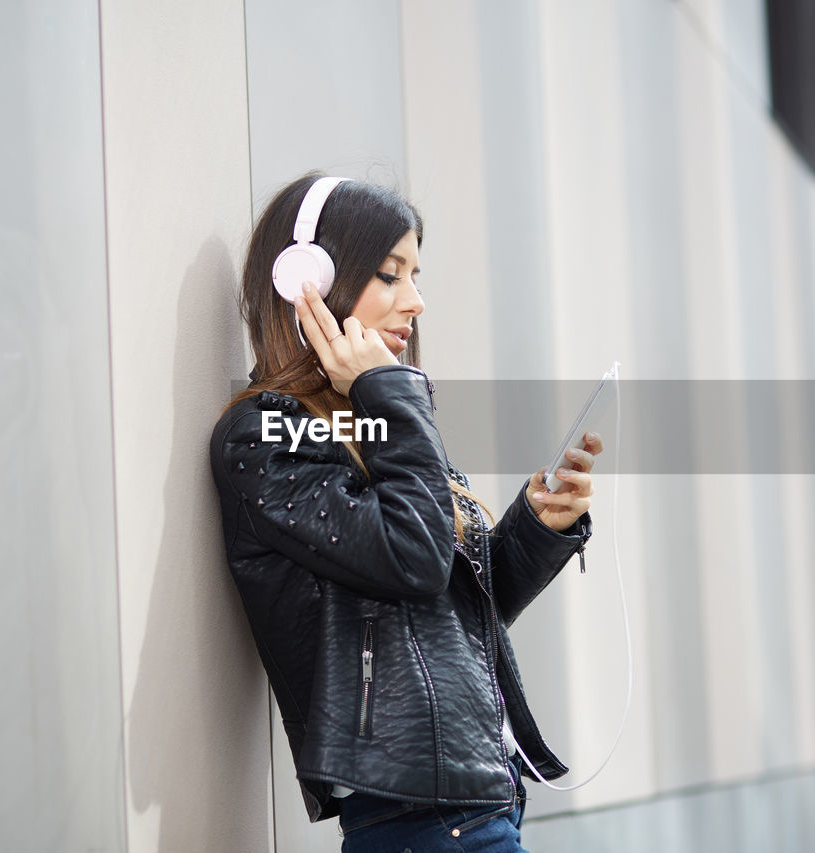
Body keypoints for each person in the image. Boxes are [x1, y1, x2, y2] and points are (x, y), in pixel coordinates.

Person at [209, 172, 601, 852]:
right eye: (391, 276)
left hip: (474, 803)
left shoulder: (378, 422)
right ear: (310, 281)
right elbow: (415, 560)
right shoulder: (268, 433)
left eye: (416, 275)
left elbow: (456, 612)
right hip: (424, 817)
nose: (415, 301)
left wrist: (537, 527)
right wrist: (390, 395)